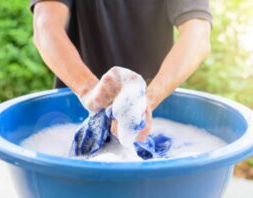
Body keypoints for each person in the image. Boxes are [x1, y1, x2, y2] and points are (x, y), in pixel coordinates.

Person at [31, 0, 211, 141]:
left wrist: (146, 100)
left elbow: (197, 34)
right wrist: (89, 90)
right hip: (74, 117)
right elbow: (46, 26)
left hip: (152, 121)